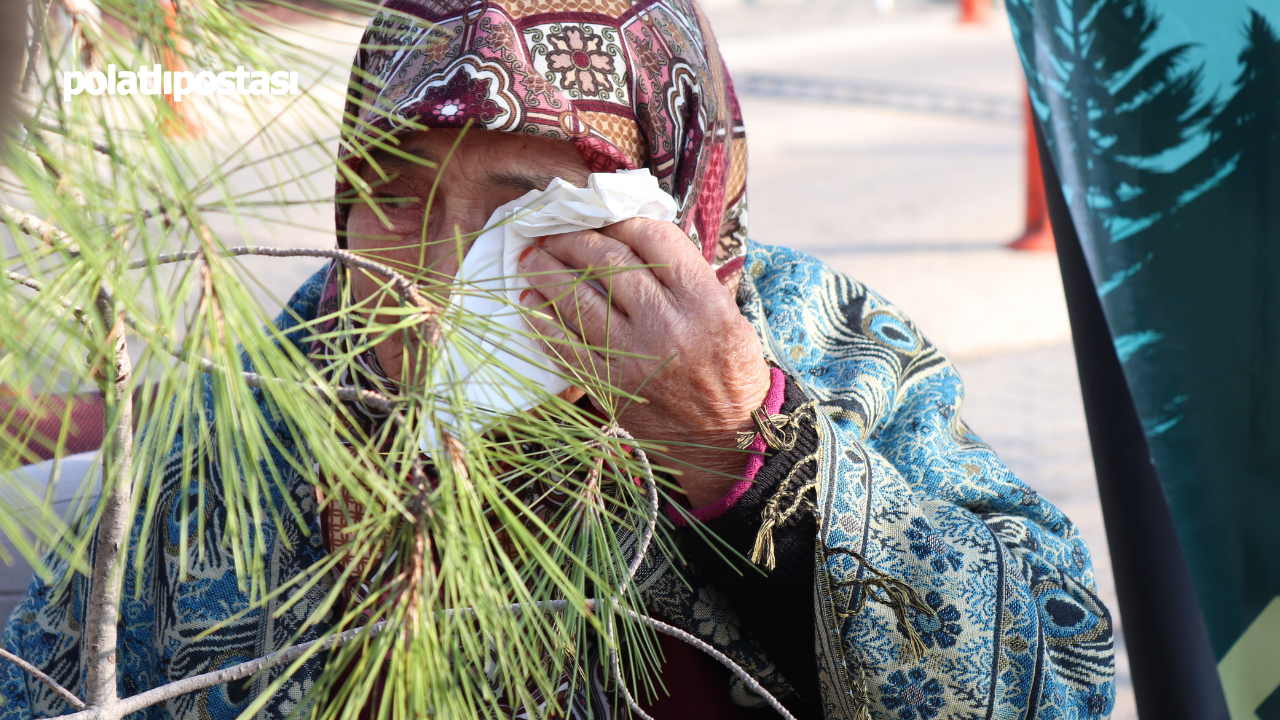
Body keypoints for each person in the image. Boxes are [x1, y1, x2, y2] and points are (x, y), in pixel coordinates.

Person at [0, 0, 1116, 718]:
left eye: (530, 202)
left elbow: (1052, 683)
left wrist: (742, 449)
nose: (437, 270)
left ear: (676, 202)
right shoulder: (282, 399)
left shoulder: (826, 346)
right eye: (393, 193)